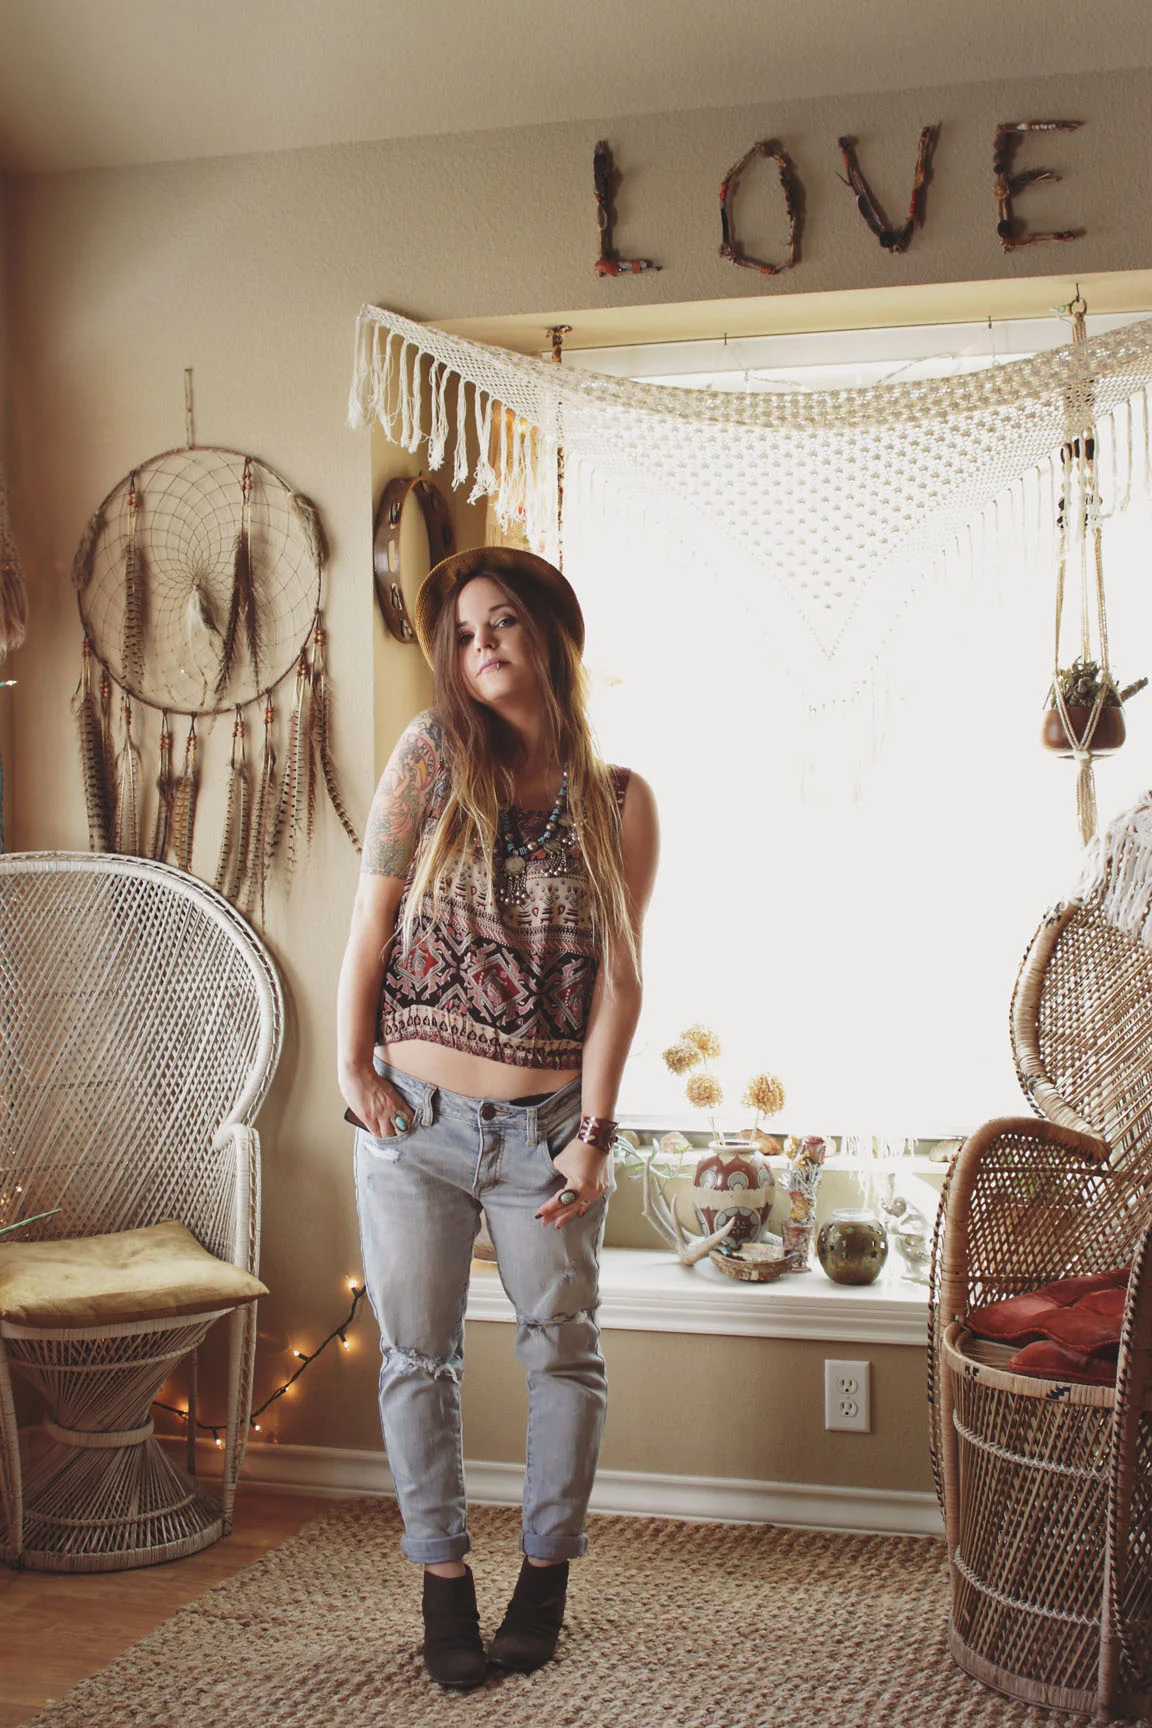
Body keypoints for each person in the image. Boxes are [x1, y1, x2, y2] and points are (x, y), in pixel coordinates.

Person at [336, 546, 659, 1689]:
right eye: (466, 633)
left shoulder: (618, 801)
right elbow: (370, 927)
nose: (481, 646)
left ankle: (543, 1580)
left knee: (562, 1351)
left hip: (547, 1130)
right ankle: (444, 1586)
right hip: (411, 1125)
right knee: (416, 1359)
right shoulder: (430, 757)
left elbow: (620, 982)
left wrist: (596, 1135)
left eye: (503, 622)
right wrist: (353, 1068)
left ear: (550, 636)